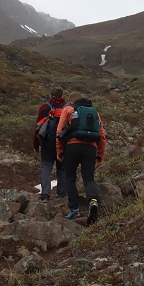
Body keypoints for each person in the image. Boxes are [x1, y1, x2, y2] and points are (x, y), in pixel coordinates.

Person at [56, 91, 106, 224]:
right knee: (88, 178)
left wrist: (60, 151)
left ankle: (74, 210)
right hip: (91, 148)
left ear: (72, 101)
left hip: (72, 146)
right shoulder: (94, 112)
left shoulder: (67, 109)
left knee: (70, 177)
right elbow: (101, 135)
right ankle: (93, 201)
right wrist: (100, 155)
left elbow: (59, 132)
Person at [33, 87, 66, 202]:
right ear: (62, 97)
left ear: (50, 96)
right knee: (62, 169)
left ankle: (45, 194)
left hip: (47, 143)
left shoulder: (44, 108)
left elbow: (37, 128)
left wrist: (36, 146)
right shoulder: (67, 109)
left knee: (46, 167)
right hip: (62, 144)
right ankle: (62, 195)